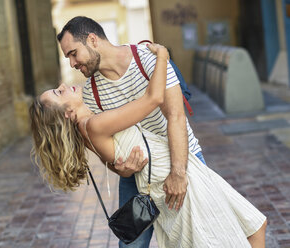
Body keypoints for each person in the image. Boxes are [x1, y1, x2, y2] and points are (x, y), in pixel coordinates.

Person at [29, 43, 267, 247]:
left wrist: (121, 167)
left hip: (182, 167)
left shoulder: (89, 125)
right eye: (58, 93)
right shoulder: (94, 125)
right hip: (172, 181)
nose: (63, 85)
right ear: (67, 114)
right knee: (230, 237)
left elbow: (113, 158)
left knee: (255, 226)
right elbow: (153, 99)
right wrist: (163, 56)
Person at [55, 16, 198, 248]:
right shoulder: (90, 93)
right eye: (68, 57)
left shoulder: (148, 59)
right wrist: (119, 168)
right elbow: (106, 149)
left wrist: (178, 172)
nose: (72, 64)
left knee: (193, 239)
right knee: (131, 245)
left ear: (92, 40)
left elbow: (176, 116)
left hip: (180, 161)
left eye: (73, 53)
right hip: (137, 176)